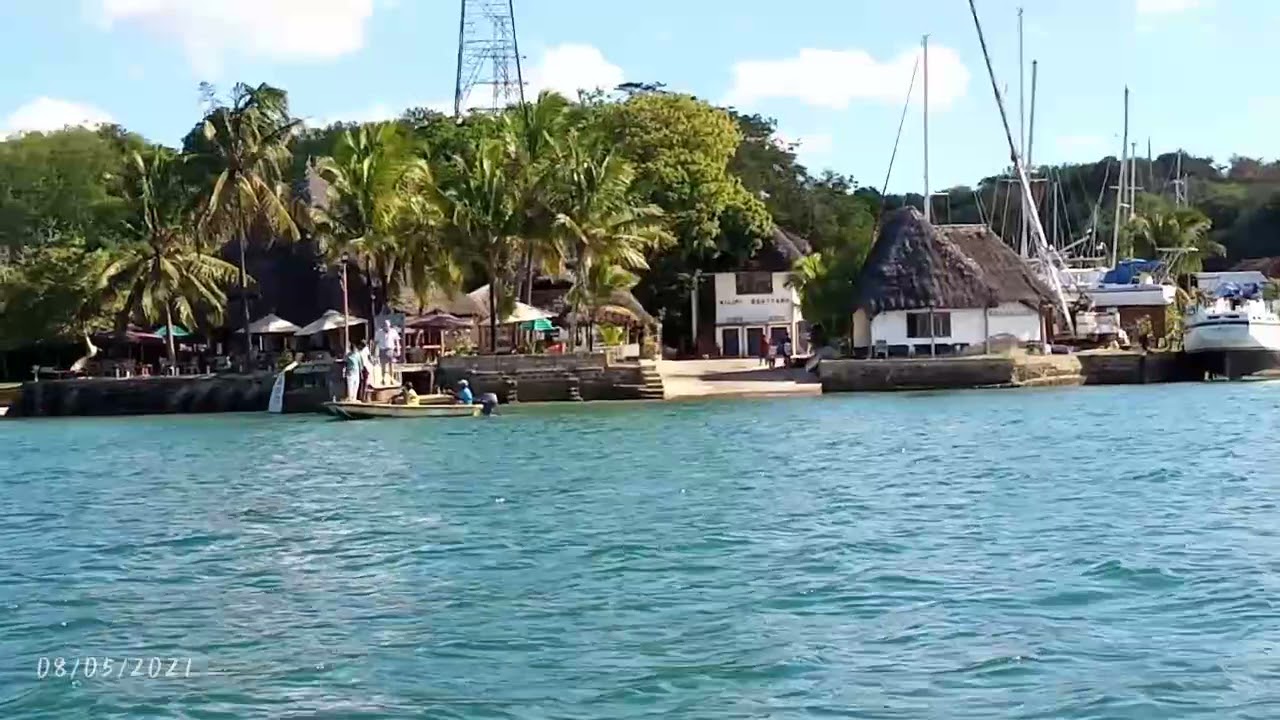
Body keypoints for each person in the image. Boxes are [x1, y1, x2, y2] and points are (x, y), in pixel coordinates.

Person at [374, 318, 401, 385]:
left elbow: (397, 341)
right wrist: (373, 352)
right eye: (385, 326)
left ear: (389, 326)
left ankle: (391, 379)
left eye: (388, 326)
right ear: (383, 326)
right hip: (382, 350)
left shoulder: (393, 331)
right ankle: (383, 379)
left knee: (391, 365)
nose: (387, 328)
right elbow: (376, 343)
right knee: (383, 366)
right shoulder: (379, 332)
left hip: (390, 350)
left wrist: (398, 350)